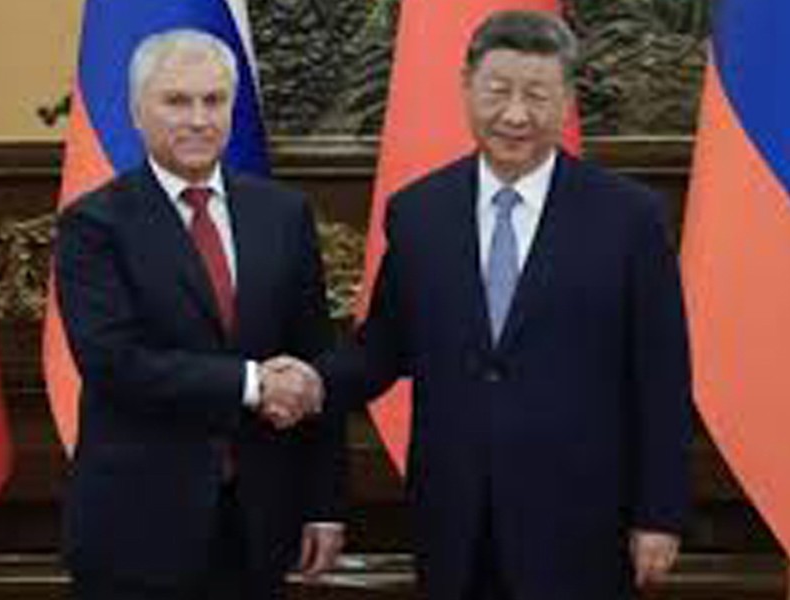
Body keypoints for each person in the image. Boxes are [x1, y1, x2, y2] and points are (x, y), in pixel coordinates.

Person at [313, 10, 692, 600]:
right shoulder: (419, 212)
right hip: (455, 523)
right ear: (467, 87)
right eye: (498, 91)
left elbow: (662, 378)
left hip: (582, 525)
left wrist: (660, 514)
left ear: (567, 99)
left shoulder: (629, 219)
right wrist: (301, 382)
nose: (515, 115)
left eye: (537, 95)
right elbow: (381, 349)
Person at [54, 28, 344, 600]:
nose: (198, 119)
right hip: (138, 527)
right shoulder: (94, 224)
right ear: (137, 112)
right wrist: (252, 383)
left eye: (213, 101)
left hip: (258, 524)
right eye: (177, 101)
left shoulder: (283, 214)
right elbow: (114, 363)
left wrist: (324, 505)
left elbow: (314, 360)